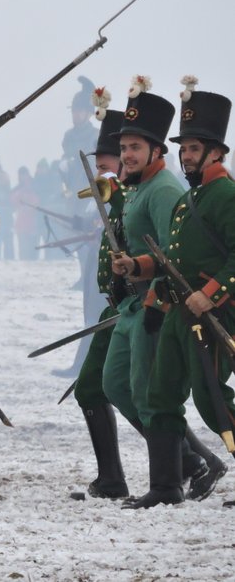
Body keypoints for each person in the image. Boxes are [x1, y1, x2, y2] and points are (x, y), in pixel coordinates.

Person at [97, 75, 218, 508]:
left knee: (152, 394)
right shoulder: (135, 189)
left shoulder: (164, 189)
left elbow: (177, 254)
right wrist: (130, 265)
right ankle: (193, 461)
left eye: (134, 147)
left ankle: (171, 480)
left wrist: (152, 291)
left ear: (155, 152)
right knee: (115, 385)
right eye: (124, 146)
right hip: (133, 303)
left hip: (156, 305)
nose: (126, 154)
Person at [69, 93, 131, 500]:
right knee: (90, 388)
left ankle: (194, 461)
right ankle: (111, 478)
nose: (101, 166)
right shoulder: (115, 195)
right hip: (116, 308)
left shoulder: (142, 194)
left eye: (108, 159)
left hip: (141, 309)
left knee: (143, 395)